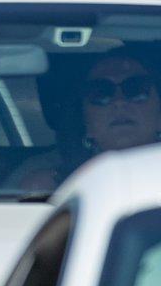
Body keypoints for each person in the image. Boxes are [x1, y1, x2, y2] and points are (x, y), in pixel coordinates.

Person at [11, 52, 161, 192]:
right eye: (100, 93)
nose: (119, 102)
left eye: (136, 89)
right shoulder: (48, 187)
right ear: (84, 119)